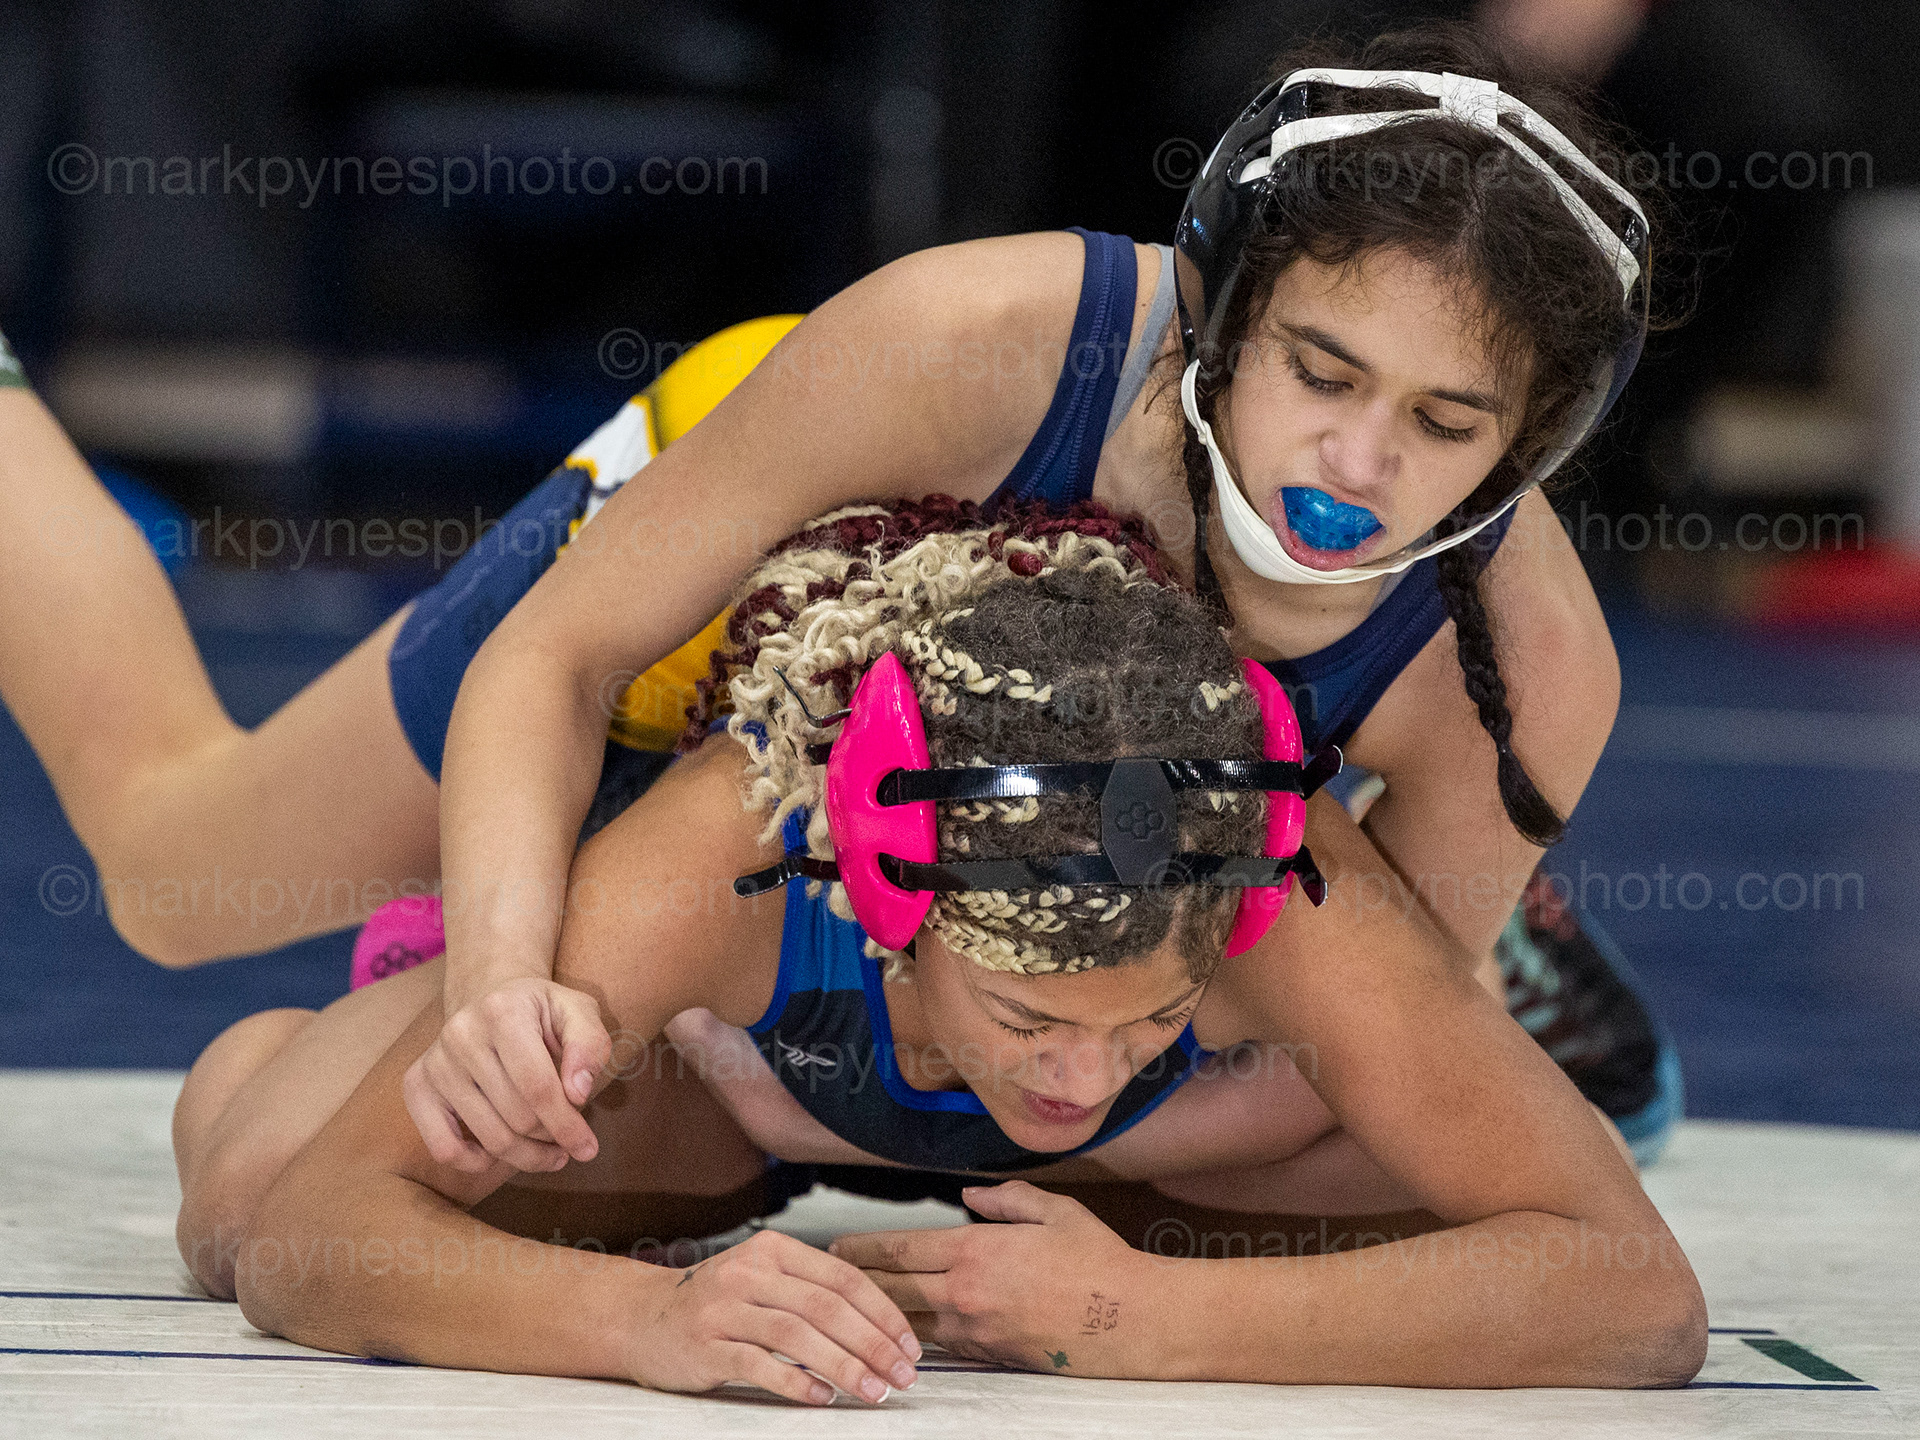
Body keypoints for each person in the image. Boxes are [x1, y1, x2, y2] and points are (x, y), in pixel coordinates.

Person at [0, 21, 1671, 1185]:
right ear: (1228, 303)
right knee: (177, 877)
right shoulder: (967, 344)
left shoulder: (1518, 672)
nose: (1360, 462)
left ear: (1533, 441)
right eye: (1321, 371)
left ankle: (1490, 927)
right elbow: (562, 655)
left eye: (1448, 426)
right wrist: (501, 982)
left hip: (963, 857)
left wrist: (868, 1143)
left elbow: (1346, 1089)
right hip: (722, 618)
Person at [173, 501, 1705, 1393]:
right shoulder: (740, 844)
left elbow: (1635, 1297)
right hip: (731, 1072)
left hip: (1171, 1169)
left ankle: (1492, 984)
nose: (1083, 1075)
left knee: (1442, 1186)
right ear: (888, 900)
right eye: (1036, 1017)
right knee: (245, 1194)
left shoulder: (1256, 870)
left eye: (1150, 1012)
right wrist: (653, 1323)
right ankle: (409, 983)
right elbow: (313, 1237)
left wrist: (1150, 1317)